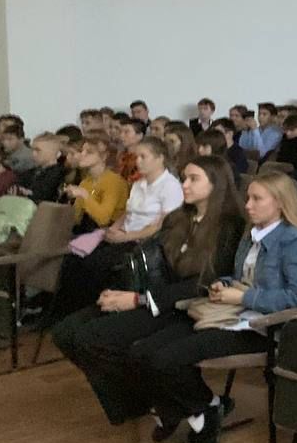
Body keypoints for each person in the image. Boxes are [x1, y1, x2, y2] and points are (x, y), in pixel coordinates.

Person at [129, 171, 297, 443]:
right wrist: (224, 284)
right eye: (248, 198)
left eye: (257, 199)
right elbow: (240, 277)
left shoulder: (295, 241)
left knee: (165, 358)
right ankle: (204, 408)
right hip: (230, 314)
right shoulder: (251, 235)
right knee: (143, 350)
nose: (248, 205)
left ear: (280, 203)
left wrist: (242, 297)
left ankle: (199, 410)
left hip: (262, 329)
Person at [51, 157, 245, 426]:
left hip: (184, 305)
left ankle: (159, 401)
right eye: (184, 178)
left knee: (91, 336)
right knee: (65, 332)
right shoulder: (178, 217)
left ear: (216, 184)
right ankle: (146, 400)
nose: (185, 185)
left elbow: (204, 284)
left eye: (194, 179)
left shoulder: (230, 226)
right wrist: (121, 292)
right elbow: (151, 264)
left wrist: (138, 299)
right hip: (153, 295)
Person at [56, 137, 185, 317]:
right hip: (124, 234)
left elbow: (161, 225)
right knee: (72, 258)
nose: (138, 161)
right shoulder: (139, 184)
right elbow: (128, 212)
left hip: (145, 242)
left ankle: (93, 310)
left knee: (95, 263)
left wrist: (125, 236)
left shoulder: (170, 186)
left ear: (160, 158)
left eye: (143, 157)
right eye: (136, 157)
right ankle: (64, 311)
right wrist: (114, 228)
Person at [63, 135, 129, 230]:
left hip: (109, 231)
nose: (82, 155)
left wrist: (84, 195)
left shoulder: (114, 181)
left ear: (104, 156)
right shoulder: (85, 183)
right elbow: (76, 219)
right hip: (86, 230)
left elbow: (103, 219)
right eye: (82, 151)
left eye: (89, 152)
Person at [16, 132, 69, 203]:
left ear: (52, 151)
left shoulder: (59, 174)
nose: (33, 154)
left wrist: (25, 192)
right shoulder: (29, 172)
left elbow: (41, 195)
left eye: (38, 150)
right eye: (32, 150)